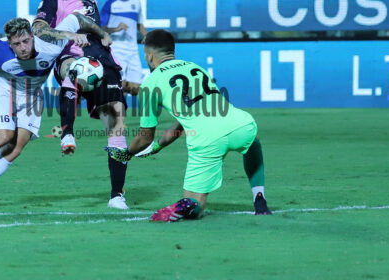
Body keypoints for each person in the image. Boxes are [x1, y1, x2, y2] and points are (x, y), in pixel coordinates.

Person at [0, 14, 109, 209]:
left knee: (16, 148)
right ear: (10, 44)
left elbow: (77, 18)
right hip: (5, 86)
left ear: (32, 36)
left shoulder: (51, 43)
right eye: (17, 44)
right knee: (4, 136)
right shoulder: (0, 52)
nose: (23, 48)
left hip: (31, 93)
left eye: (26, 41)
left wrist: (102, 34)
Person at [106, 29, 272, 221]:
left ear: (150, 56)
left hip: (207, 140)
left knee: (195, 208)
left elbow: (145, 137)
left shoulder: (151, 83)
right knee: (252, 142)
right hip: (240, 124)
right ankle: (259, 197)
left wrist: (127, 153)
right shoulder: (195, 67)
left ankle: (186, 205)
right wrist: (158, 146)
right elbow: (182, 123)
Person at [32, 0, 130, 210]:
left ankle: (117, 195)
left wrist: (105, 35)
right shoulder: (52, 0)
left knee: (117, 122)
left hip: (103, 62)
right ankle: (67, 134)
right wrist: (68, 35)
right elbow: (38, 29)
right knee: (73, 69)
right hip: (71, 58)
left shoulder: (90, 0)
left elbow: (92, 28)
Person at [100, 0, 147, 95]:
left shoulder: (136, 1)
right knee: (119, 86)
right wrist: (115, 29)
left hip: (133, 50)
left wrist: (148, 37)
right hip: (116, 50)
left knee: (135, 89)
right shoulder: (110, 4)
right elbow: (101, 29)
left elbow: (139, 24)